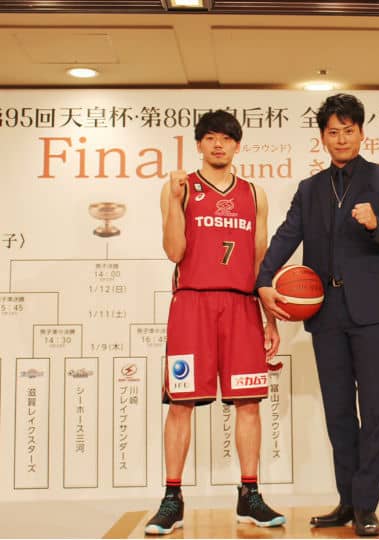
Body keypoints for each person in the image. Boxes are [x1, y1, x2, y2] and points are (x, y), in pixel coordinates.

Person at [256, 94, 379, 537]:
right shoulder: (310, 189)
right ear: (322, 138)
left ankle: (366, 505)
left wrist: (375, 224)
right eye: (333, 132)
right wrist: (262, 280)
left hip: (372, 311)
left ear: (361, 133)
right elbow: (287, 236)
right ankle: (347, 501)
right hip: (326, 314)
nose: (341, 139)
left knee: (376, 409)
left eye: (348, 130)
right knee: (338, 412)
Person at [145, 110, 284, 535]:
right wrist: (174, 202)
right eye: (210, 138)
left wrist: (270, 320)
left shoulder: (255, 194)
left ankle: (249, 495)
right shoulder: (182, 187)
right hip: (192, 304)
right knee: (181, 403)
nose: (218, 144)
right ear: (199, 144)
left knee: (248, 402)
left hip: (242, 305)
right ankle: (172, 499)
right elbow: (174, 251)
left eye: (226, 138)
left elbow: (259, 261)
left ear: (237, 145)